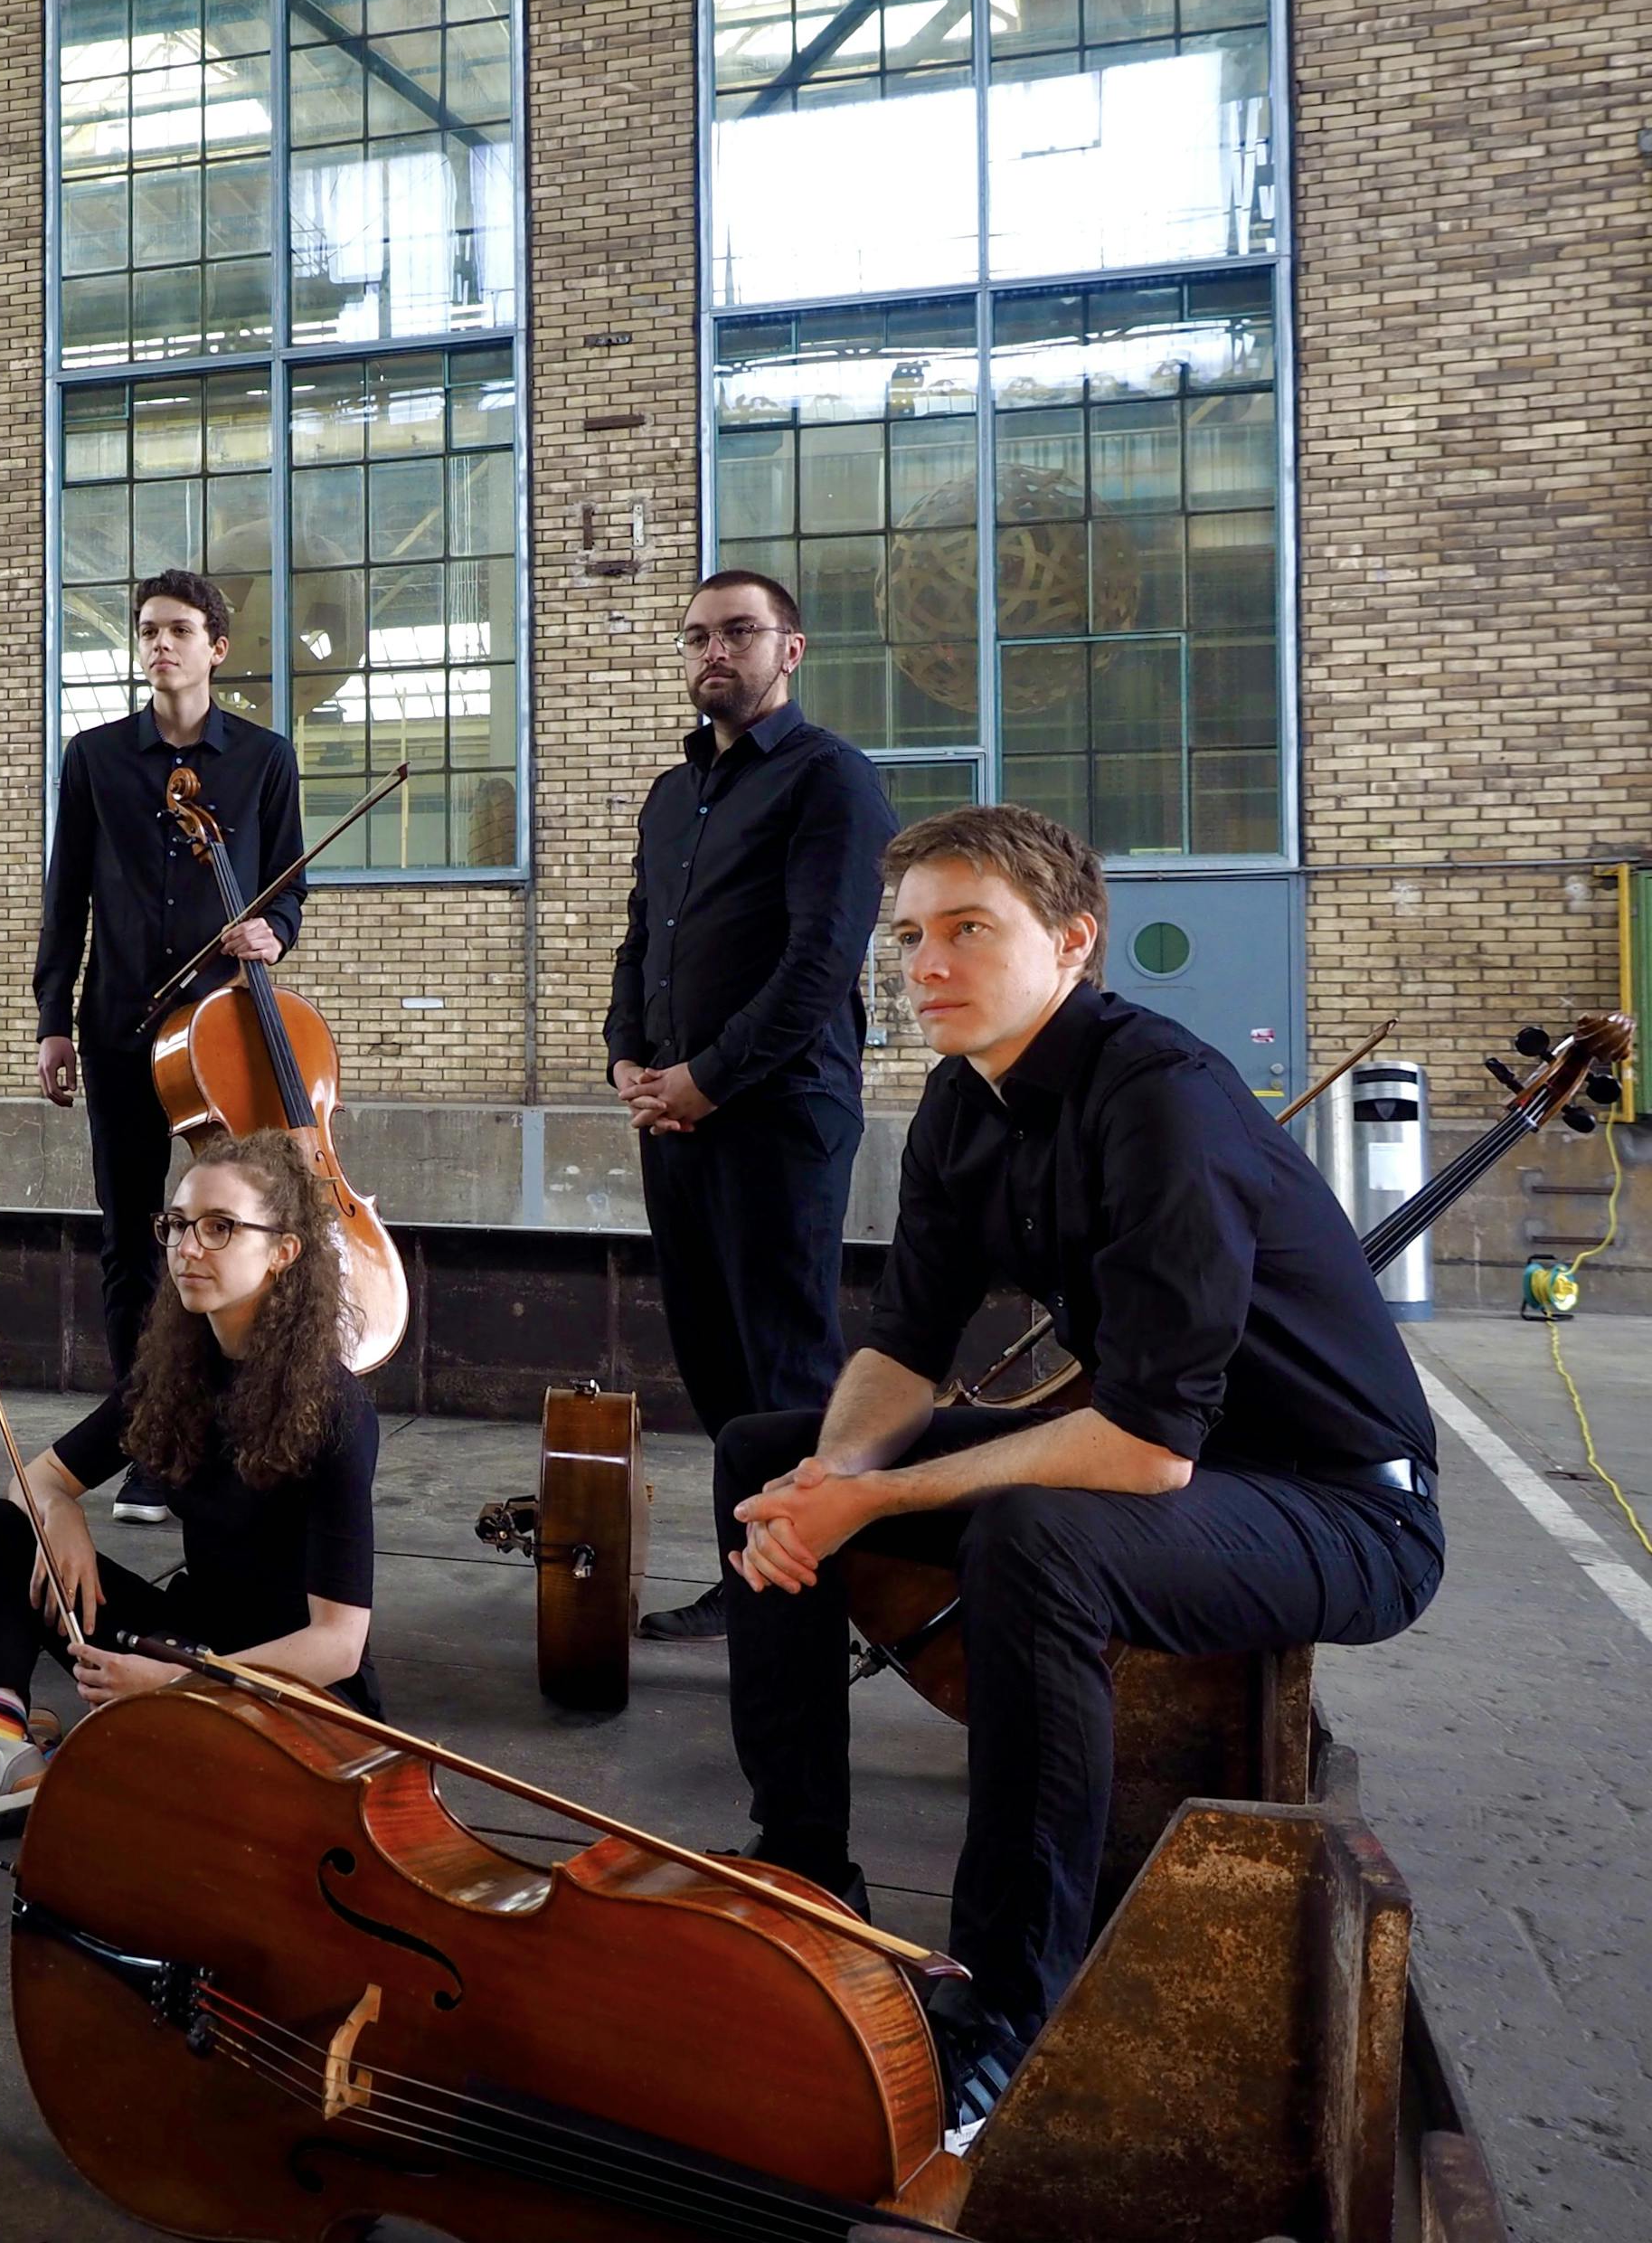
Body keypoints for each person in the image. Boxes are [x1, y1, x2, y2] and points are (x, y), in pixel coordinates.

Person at [714, 804, 1442, 2141]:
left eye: (969, 931)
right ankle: (807, 1872)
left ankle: (1007, 2008)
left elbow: (1149, 1450)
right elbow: (905, 1348)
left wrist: (873, 1499)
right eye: (911, 937)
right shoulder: (958, 1096)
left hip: (1345, 1505)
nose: (927, 964)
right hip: (1186, 1461)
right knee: (766, 1450)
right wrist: (827, 1482)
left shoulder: (1159, 1097)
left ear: (1072, 941)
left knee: (1036, 1539)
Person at [0, 1128, 378, 1839]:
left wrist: (176, 1680)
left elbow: (337, 1646)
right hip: (184, 1640)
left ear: (283, 1253)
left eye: (221, 1228)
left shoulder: (336, 1408)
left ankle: (32, 1738)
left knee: (189, 1793)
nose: (188, 1248)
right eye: (178, 1225)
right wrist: (61, 1514)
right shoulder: (175, 1373)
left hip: (289, 1693)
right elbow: (35, 1483)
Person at [604, 567, 894, 1641]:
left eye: (737, 633)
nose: (711, 653)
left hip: (779, 1118)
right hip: (676, 1114)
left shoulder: (832, 782)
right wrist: (630, 1061)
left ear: (792, 650)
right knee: (716, 1362)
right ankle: (752, 1577)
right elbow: (644, 942)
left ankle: (811, 1590)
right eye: (695, 638)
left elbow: (819, 964)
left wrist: (708, 1079)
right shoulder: (675, 793)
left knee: (784, 1363)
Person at [35, 570, 303, 1529]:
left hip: (226, 1036)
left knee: (236, 1235)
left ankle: (242, 1434)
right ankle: (151, 1442)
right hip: (117, 1029)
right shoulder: (95, 758)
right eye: (148, 631)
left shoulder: (265, 760)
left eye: (179, 630)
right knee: (129, 1242)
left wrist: (273, 936)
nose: (160, 645)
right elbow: (67, 900)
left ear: (217, 648)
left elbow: (286, 895)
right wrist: (52, 1022)